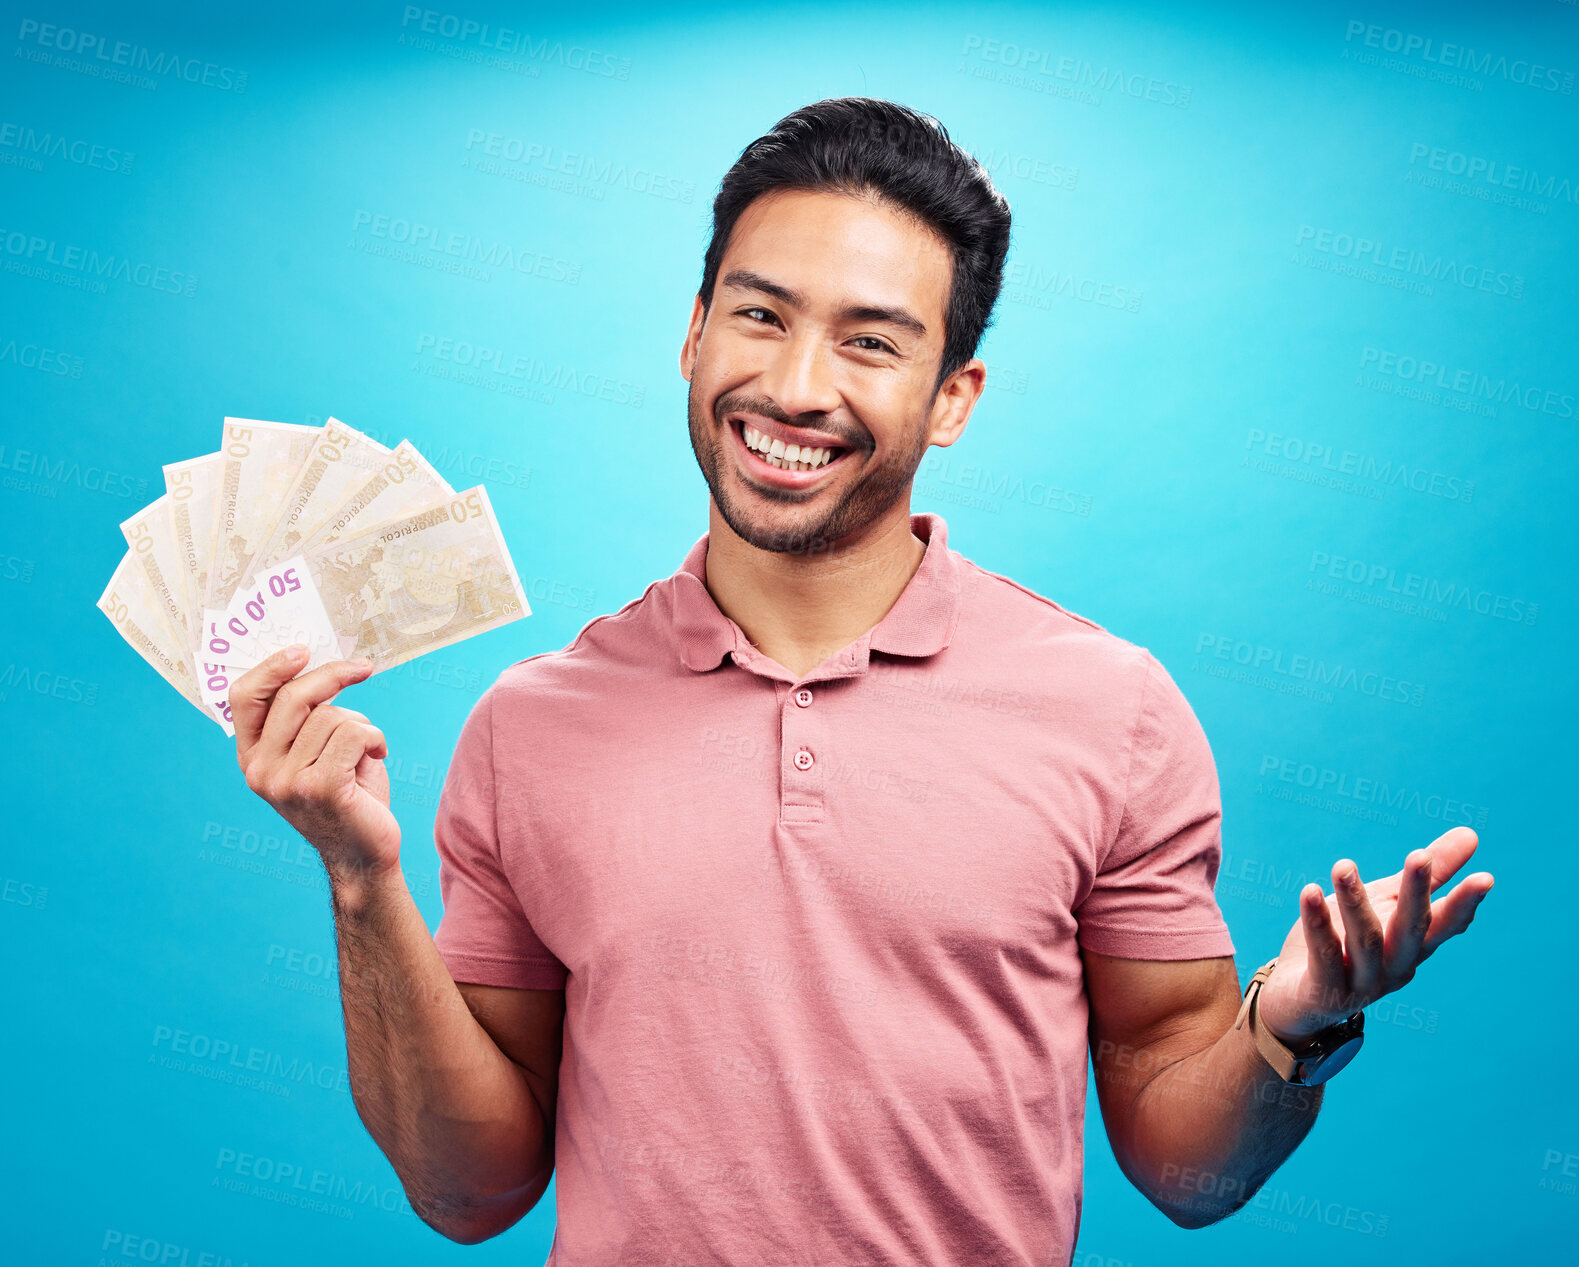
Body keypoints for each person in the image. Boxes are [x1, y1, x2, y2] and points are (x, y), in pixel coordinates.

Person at [228, 97, 1495, 1265]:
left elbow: (1186, 1171)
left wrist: (1303, 1020)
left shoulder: (1113, 709)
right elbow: (468, 1192)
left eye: (870, 342)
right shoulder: (531, 725)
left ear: (952, 398)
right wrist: (361, 877)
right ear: (691, 332)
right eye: (759, 314)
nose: (792, 386)